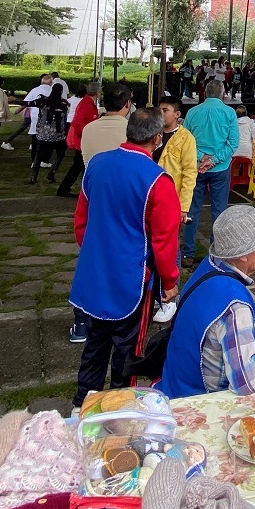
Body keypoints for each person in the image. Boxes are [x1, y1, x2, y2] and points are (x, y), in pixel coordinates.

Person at [69, 108, 181, 407]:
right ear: (157, 139)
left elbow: (81, 220)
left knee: (95, 342)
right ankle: (121, 406)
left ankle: (83, 402)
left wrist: (95, 251)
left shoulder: (97, 164)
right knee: (127, 349)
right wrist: (169, 281)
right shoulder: (158, 181)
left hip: (95, 270)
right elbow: (164, 241)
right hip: (131, 278)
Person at [160, 205, 255, 397]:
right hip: (198, 403)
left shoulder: (209, 266)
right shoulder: (235, 306)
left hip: (173, 385)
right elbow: (246, 382)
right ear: (243, 254)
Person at [181, 81, 238, 268]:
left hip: (195, 167)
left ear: (204, 93)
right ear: (223, 94)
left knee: (192, 210)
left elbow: (185, 140)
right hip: (220, 168)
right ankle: (216, 255)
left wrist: (201, 157)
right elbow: (232, 143)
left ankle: (187, 253)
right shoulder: (229, 113)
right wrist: (214, 160)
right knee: (219, 211)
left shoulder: (192, 112)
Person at [155, 95, 197, 270]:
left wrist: (183, 207)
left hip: (171, 198)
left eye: (165, 110)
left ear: (177, 114)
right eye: (159, 110)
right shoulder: (151, 133)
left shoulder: (185, 138)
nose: (161, 114)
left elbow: (189, 173)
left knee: (169, 244)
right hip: (150, 194)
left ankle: (170, 280)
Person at [56, 82, 102, 196]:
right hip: (82, 139)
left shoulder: (87, 102)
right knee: (81, 166)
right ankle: (87, 190)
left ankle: (64, 188)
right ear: (97, 92)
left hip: (82, 139)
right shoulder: (87, 104)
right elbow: (79, 123)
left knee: (78, 166)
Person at [28, 90, 68, 185]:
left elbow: (27, 103)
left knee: (38, 155)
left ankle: (34, 177)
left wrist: (15, 101)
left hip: (43, 133)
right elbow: (64, 119)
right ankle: (51, 173)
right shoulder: (63, 104)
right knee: (60, 154)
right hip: (57, 135)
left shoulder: (43, 102)